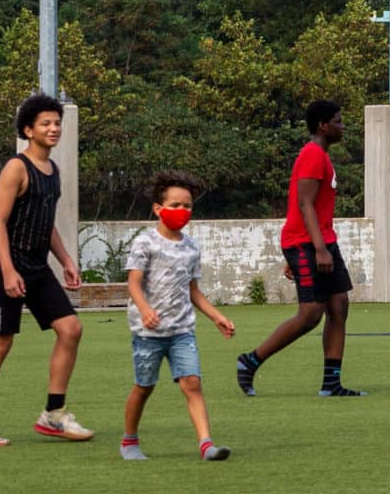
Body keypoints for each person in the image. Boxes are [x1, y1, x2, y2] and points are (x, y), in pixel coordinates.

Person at [0, 94, 90, 447]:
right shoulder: (17, 167)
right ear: (28, 130)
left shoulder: (53, 170)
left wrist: (67, 260)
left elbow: (47, 223)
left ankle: (54, 414)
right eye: (45, 123)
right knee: (0, 340)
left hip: (37, 264)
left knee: (71, 329)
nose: (53, 128)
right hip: (5, 264)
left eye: (56, 123)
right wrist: (9, 272)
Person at [235, 99, 363, 399]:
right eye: (338, 121)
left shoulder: (323, 156)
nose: (343, 126)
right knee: (311, 313)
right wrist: (317, 250)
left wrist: (324, 246)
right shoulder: (312, 155)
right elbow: (304, 203)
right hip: (307, 242)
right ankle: (251, 360)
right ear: (323, 125)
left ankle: (331, 384)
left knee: (339, 305)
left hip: (323, 240)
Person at [121, 174, 237, 462]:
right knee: (144, 387)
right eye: (175, 204)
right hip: (148, 332)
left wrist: (216, 316)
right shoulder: (145, 242)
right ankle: (129, 441)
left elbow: (193, 291)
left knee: (192, 383)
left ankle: (206, 444)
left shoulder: (191, 247)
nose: (182, 211)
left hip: (182, 330)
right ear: (158, 209)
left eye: (187, 206)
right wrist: (145, 309)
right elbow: (133, 283)